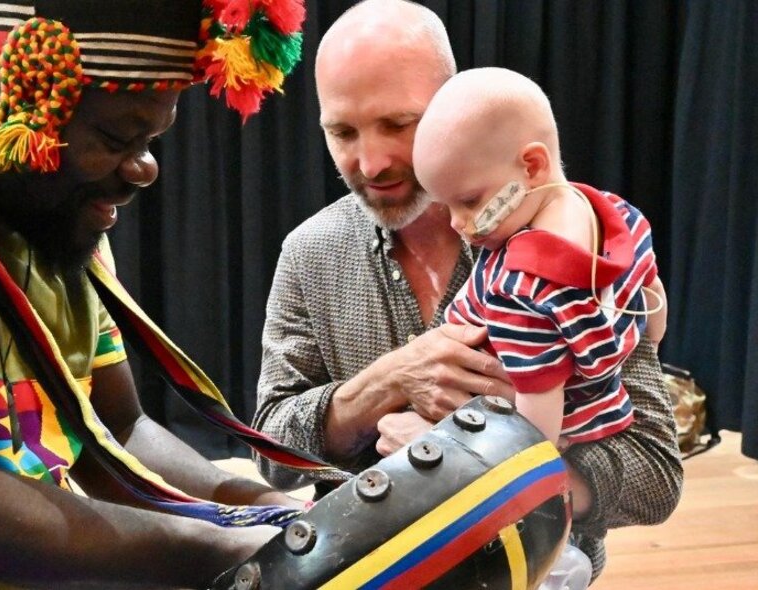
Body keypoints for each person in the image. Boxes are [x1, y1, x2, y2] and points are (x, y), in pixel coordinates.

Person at [0, 1, 310, 588]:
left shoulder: (49, 206)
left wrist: (275, 516)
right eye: (116, 137)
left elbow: (117, 434)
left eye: (151, 140)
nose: (144, 170)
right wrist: (223, 551)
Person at [252, 0, 682, 581]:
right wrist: (386, 382)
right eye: (343, 132)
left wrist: (458, 467)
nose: (371, 161)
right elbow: (272, 453)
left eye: (399, 125)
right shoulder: (310, 253)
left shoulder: (579, 243)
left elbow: (655, 475)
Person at [413, 67, 668, 448]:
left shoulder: (520, 292)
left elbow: (538, 406)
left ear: (532, 166)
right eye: (445, 206)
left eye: (468, 201)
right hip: (599, 402)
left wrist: (534, 461)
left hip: (494, 414)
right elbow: (652, 299)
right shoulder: (624, 216)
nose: (456, 224)